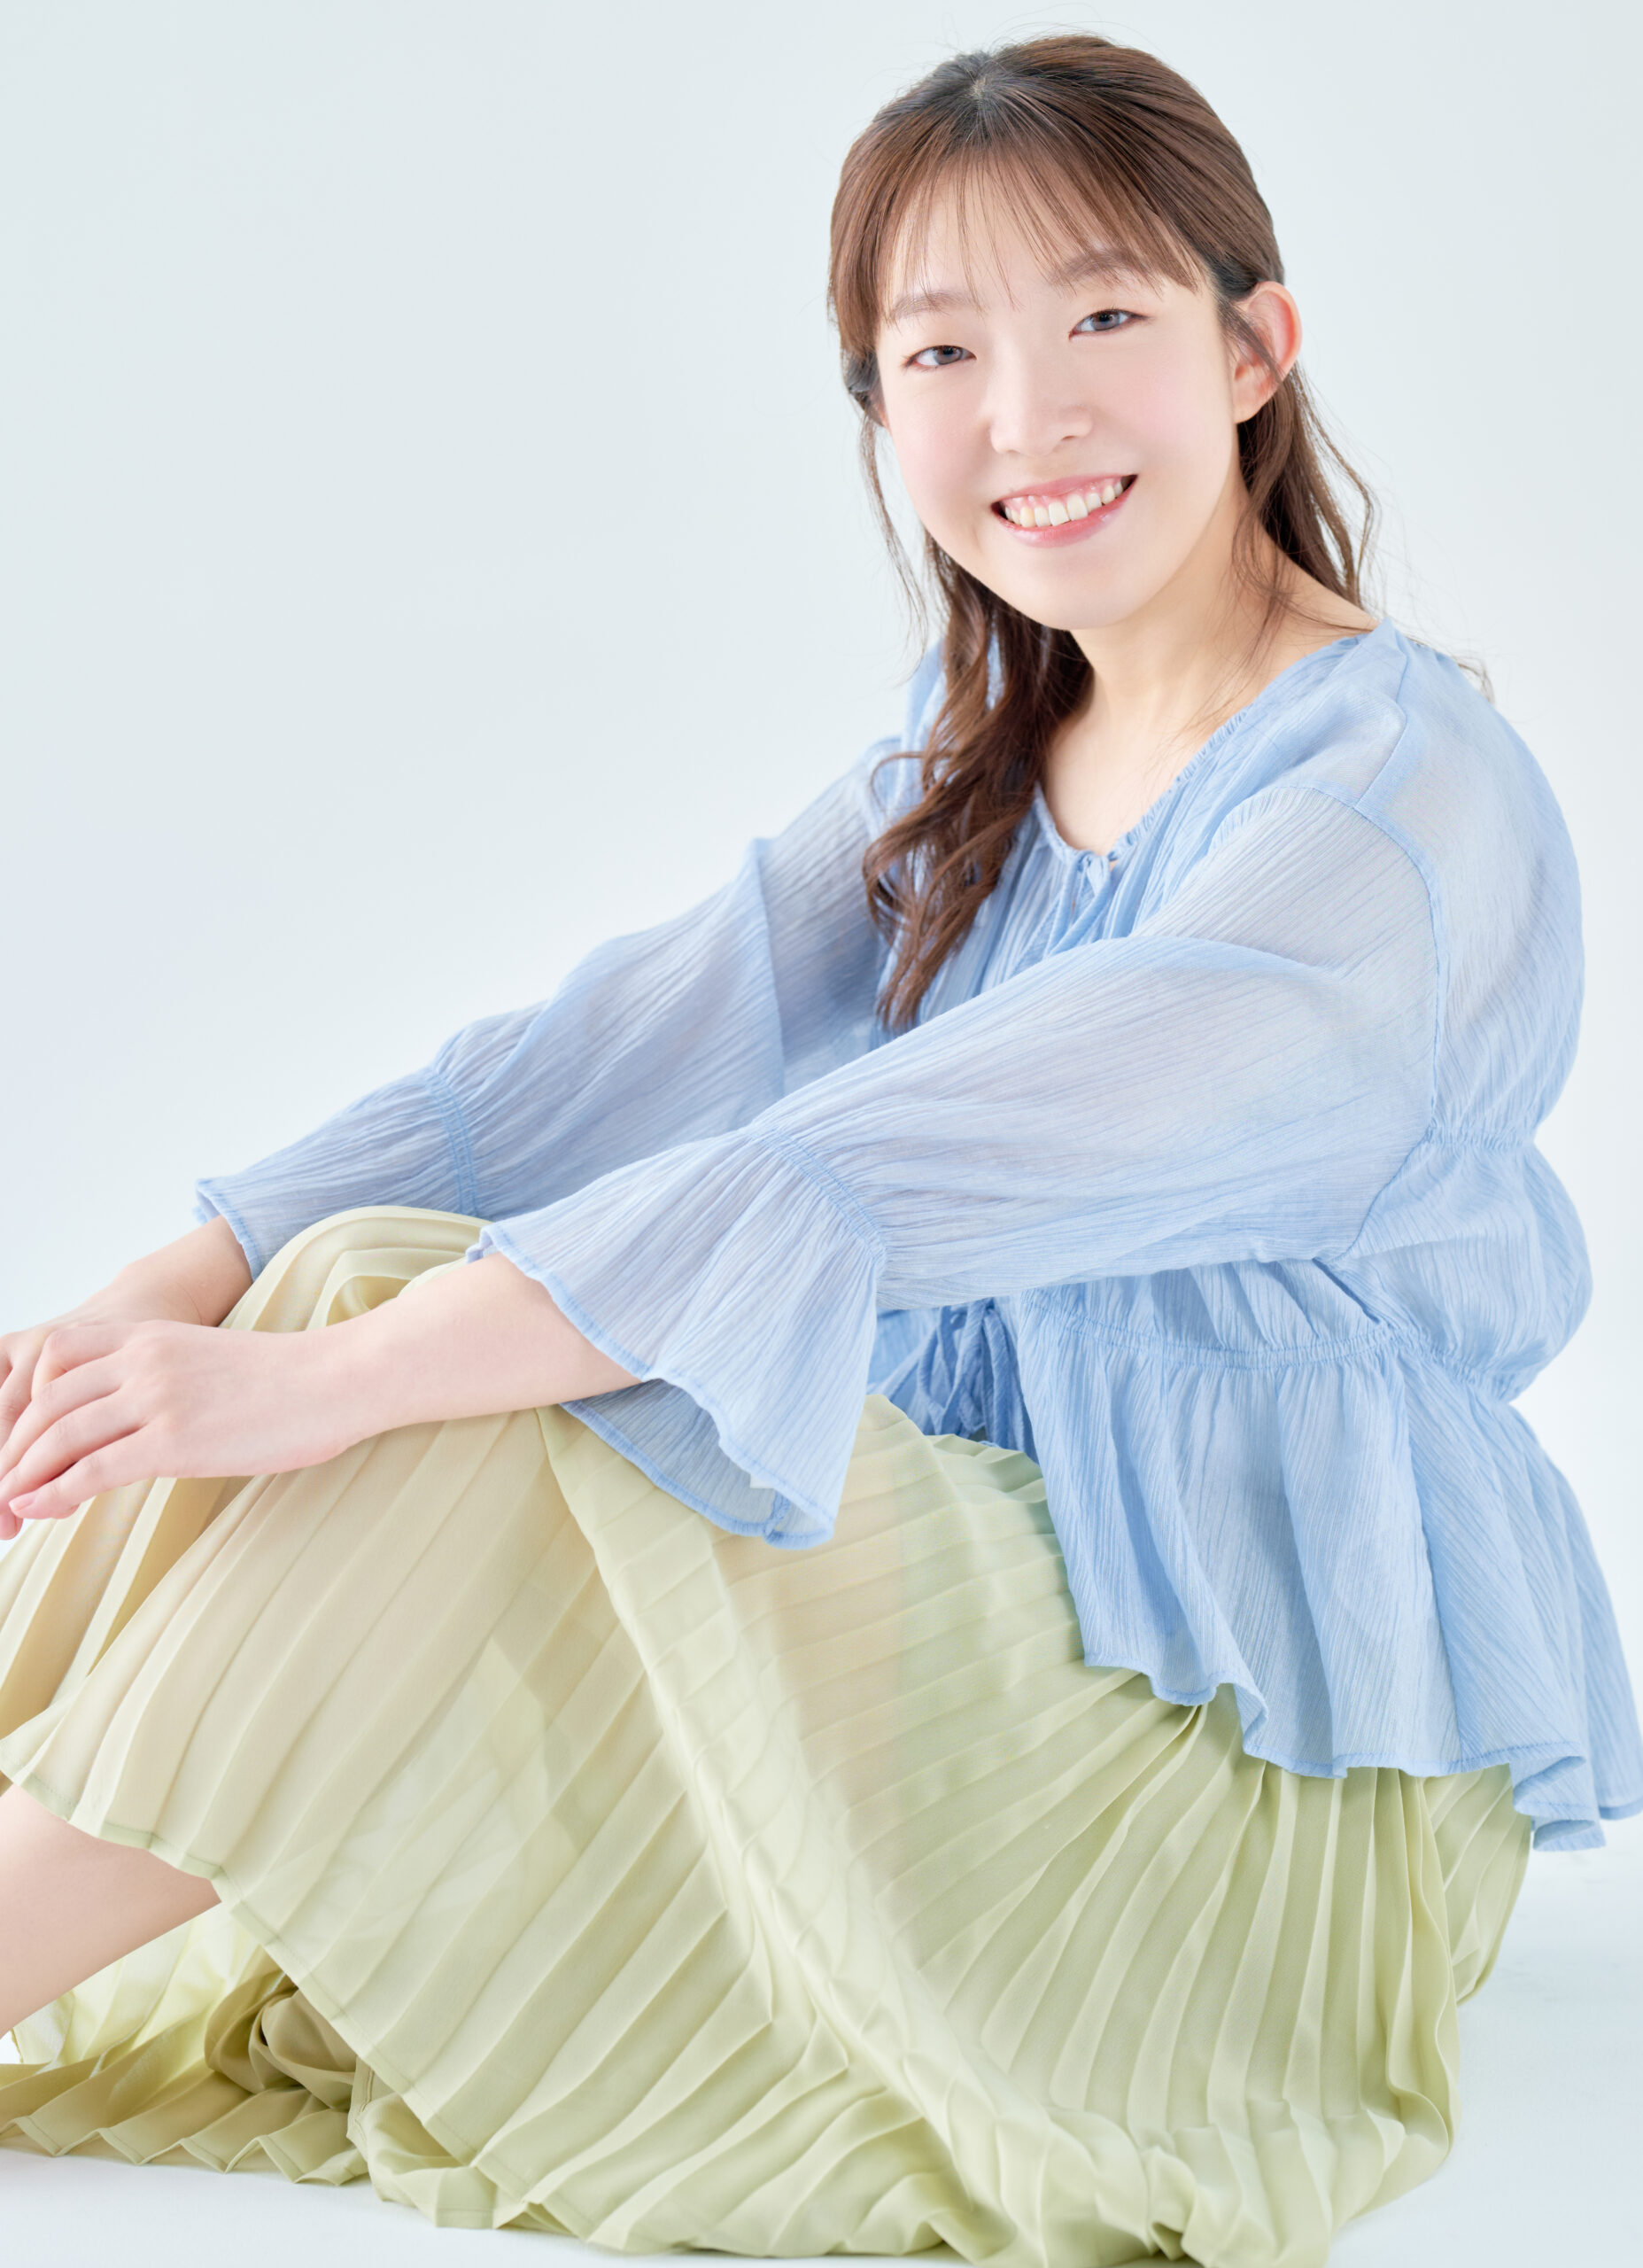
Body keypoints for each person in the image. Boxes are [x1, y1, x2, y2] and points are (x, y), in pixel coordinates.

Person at [0, 31, 1636, 2268]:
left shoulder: (1390, 804)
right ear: (879, 411)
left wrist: (330, 1379)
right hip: (996, 1612)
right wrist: (158, 1295)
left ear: (1254, 348)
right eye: (939, 351)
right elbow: (572, 1068)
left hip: (1257, 1733)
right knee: (358, 1269)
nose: (1025, 415)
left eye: (1102, 317)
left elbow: (850, 1172)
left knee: (426, 1364)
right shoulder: (977, 768)